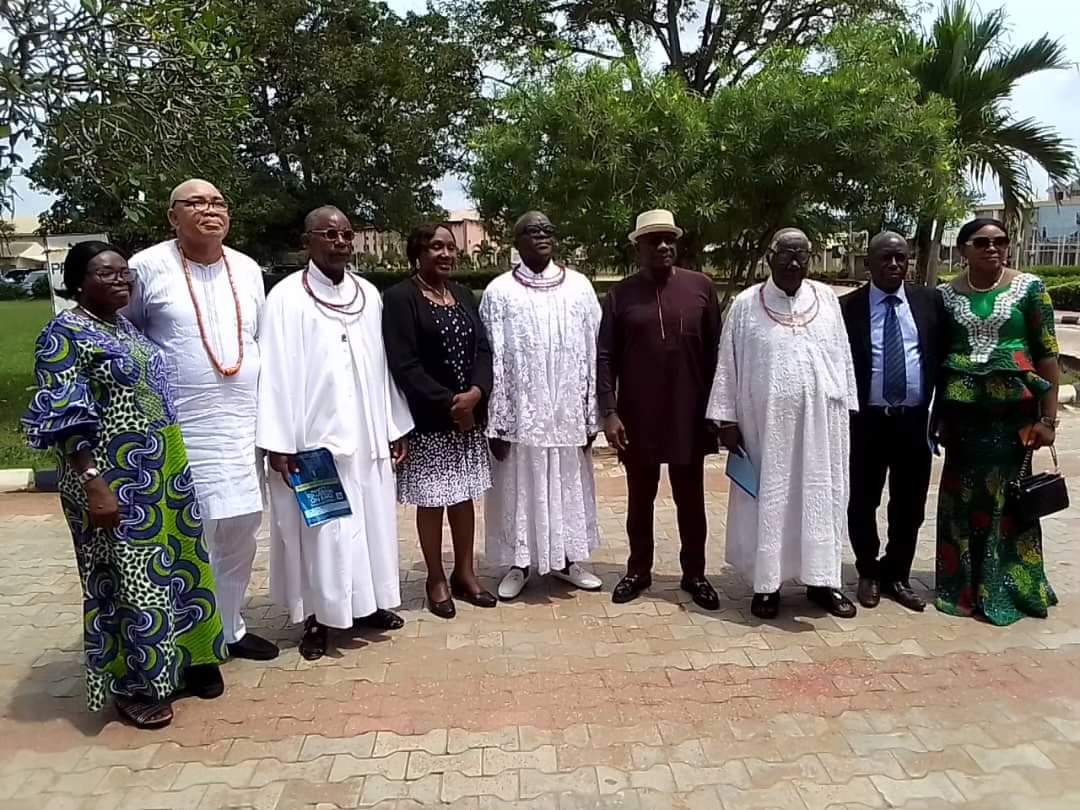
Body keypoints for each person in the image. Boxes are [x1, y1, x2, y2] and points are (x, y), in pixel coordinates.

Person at [23, 241, 226, 728]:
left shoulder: (124, 327)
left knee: (180, 564)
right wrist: (94, 482)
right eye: (106, 274)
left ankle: (187, 659)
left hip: (162, 469)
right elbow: (64, 419)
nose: (121, 281)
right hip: (112, 477)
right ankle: (136, 683)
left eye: (125, 274)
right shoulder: (63, 334)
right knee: (128, 578)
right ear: (77, 282)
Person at [126, 179, 278, 661]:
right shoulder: (146, 268)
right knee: (194, 535)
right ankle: (193, 644)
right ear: (173, 216)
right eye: (195, 202)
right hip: (181, 427)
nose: (209, 210)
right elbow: (126, 341)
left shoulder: (248, 269)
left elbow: (261, 343)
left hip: (243, 426)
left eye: (217, 202)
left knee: (241, 529)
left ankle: (230, 628)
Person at [256, 206, 414, 659]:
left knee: (370, 522)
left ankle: (367, 604)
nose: (341, 242)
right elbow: (276, 375)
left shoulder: (368, 294)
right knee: (320, 531)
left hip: (366, 438)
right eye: (330, 234)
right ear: (308, 241)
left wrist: (392, 423)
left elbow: (383, 367)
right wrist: (280, 444)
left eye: (347, 234)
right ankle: (316, 618)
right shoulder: (286, 299)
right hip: (312, 442)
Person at [708, 228, 858, 620]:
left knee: (819, 499)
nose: (794, 262)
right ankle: (767, 586)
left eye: (802, 254)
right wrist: (725, 418)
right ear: (770, 256)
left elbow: (842, 356)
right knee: (770, 501)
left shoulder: (827, 299)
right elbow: (727, 364)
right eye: (786, 253)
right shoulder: (745, 305)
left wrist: (848, 409)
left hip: (821, 427)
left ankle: (822, 582)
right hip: (764, 429)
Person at [934, 217, 1059, 625]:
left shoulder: (1030, 289)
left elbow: (1047, 354)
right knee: (963, 501)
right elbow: (934, 361)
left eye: (1000, 241)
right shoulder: (944, 296)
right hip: (964, 419)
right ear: (963, 250)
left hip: (1014, 420)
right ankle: (964, 584)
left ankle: (1010, 584)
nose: (993, 248)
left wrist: (1048, 419)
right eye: (982, 242)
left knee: (1010, 499)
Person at [597, 209, 723, 610]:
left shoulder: (701, 287)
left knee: (691, 500)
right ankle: (638, 570)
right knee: (640, 498)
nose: (663, 246)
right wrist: (609, 412)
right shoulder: (620, 295)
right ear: (639, 247)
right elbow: (604, 357)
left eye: (669, 238)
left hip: (690, 412)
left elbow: (718, 356)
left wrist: (720, 410)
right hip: (638, 415)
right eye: (654, 240)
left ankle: (695, 574)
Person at [481, 211, 603, 600]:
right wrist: (496, 423)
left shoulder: (580, 288)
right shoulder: (499, 292)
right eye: (532, 231)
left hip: (566, 411)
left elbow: (593, 352)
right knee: (519, 486)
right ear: (516, 242)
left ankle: (566, 560)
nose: (542, 236)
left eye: (548, 230)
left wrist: (590, 416)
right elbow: (491, 358)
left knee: (566, 485)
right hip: (520, 416)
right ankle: (520, 561)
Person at [383, 223, 497, 619]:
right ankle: (435, 579)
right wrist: (452, 402)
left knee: (464, 495)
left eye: (450, 247)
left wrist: (478, 393)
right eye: (436, 247)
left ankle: (465, 574)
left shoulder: (463, 295)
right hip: (431, 420)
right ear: (418, 252)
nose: (446, 254)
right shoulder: (400, 298)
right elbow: (404, 364)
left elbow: (484, 349)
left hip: (469, 419)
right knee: (432, 500)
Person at [841, 232, 947, 612]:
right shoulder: (847, 308)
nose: (894, 265)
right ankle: (868, 570)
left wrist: (942, 413)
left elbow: (943, 359)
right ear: (868, 263)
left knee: (910, 505)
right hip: (866, 423)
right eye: (885, 258)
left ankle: (897, 574)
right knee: (862, 501)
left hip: (914, 422)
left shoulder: (930, 302)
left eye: (901, 258)